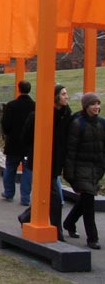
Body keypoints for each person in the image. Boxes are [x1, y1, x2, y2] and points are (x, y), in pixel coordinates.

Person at [19, 84, 72, 242]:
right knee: (54, 195)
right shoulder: (38, 115)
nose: (66, 97)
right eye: (63, 94)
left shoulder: (66, 115)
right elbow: (26, 137)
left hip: (56, 160)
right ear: (55, 96)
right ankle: (57, 230)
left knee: (47, 193)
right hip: (42, 160)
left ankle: (25, 216)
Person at [63, 92, 105, 249]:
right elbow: (71, 150)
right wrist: (70, 174)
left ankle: (69, 222)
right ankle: (92, 237)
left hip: (96, 168)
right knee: (89, 203)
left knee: (86, 200)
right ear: (86, 106)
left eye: (98, 104)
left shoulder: (102, 124)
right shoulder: (77, 124)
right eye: (93, 104)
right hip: (81, 167)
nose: (96, 107)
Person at [1, 80, 35, 205]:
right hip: (29, 144)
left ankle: (9, 192)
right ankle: (25, 197)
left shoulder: (11, 105)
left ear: (18, 89)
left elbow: (5, 123)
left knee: (10, 168)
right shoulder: (35, 106)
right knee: (28, 170)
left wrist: (7, 133)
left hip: (13, 142)